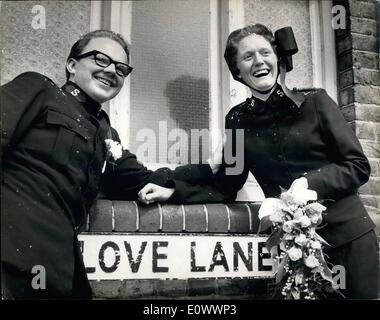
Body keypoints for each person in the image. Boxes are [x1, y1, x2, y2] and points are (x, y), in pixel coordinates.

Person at [139, 24, 379, 299]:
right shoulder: (237, 120)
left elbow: (357, 165)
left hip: (349, 240)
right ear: (237, 71)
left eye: (265, 52)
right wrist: (173, 191)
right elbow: (226, 186)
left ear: (277, 58)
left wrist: (308, 183)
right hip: (293, 249)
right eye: (247, 57)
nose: (259, 61)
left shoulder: (316, 102)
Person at [0, 30, 212, 299]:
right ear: (72, 65)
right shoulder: (39, 90)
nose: (112, 71)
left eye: (121, 68)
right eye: (101, 59)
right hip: (9, 255)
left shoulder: (107, 133)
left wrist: (208, 169)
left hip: (59, 267)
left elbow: (142, 179)